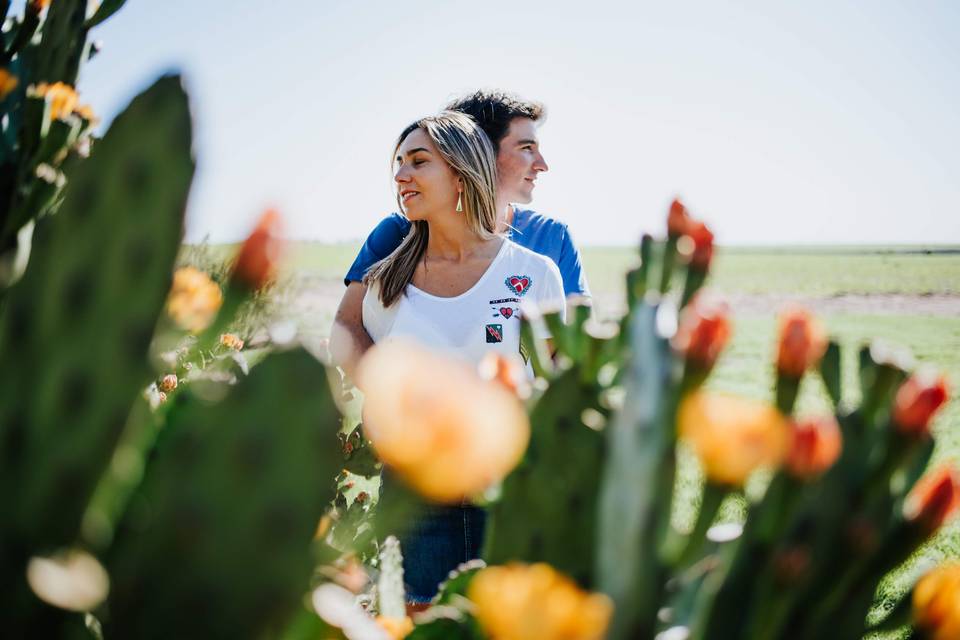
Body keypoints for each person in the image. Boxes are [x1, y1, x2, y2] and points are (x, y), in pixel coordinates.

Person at [356, 111, 565, 605]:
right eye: (399, 164)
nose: (402, 175)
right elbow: (372, 371)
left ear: (462, 172)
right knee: (422, 624)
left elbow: (560, 386)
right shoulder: (385, 284)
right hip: (415, 496)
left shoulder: (535, 273)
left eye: (419, 161)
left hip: (512, 491)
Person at [332, 91, 588, 368]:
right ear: (481, 151)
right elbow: (348, 328)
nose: (541, 165)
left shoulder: (548, 246)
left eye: (419, 161)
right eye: (526, 147)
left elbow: (565, 356)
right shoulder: (393, 245)